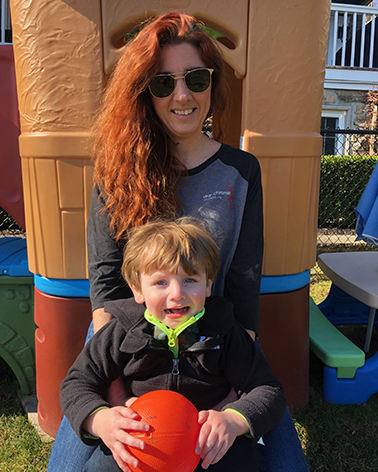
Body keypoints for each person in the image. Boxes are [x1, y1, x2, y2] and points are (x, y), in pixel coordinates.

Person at [48, 10, 309, 472]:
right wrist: (114, 397)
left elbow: (244, 279)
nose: (183, 95)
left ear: (212, 82)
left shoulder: (242, 171)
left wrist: (231, 400)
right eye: (164, 83)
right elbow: (108, 283)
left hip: (217, 333)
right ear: (145, 93)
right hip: (125, 332)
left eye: (195, 78)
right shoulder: (116, 172)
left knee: (284, 464)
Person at [60, 218, 287, 472]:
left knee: (247, 463)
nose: (177, 293)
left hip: (208, 443)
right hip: (139, 443)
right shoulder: (123, 331)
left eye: (190, 279)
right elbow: (77, 383)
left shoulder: (223, 331)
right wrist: (100, 419)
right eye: (161, 282)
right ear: (137, 290)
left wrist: (233, 421)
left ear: (209, 284)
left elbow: (267, 389)